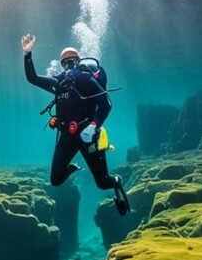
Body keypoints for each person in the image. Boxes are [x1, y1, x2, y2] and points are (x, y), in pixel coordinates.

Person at [21, 34, 129, 214]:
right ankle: (73, 168)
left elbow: (106, 104)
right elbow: (32, 78)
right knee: (55, 180)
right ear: (61, 64)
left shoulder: (87, 79)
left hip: (88, 138)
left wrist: (93, 125)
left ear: (78, 62)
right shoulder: (58, 82)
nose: (68, 65)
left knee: (103, 183)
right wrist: (27, 53)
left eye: (71, 61)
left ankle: (116, 182)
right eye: (64, 62)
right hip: (67, 137)